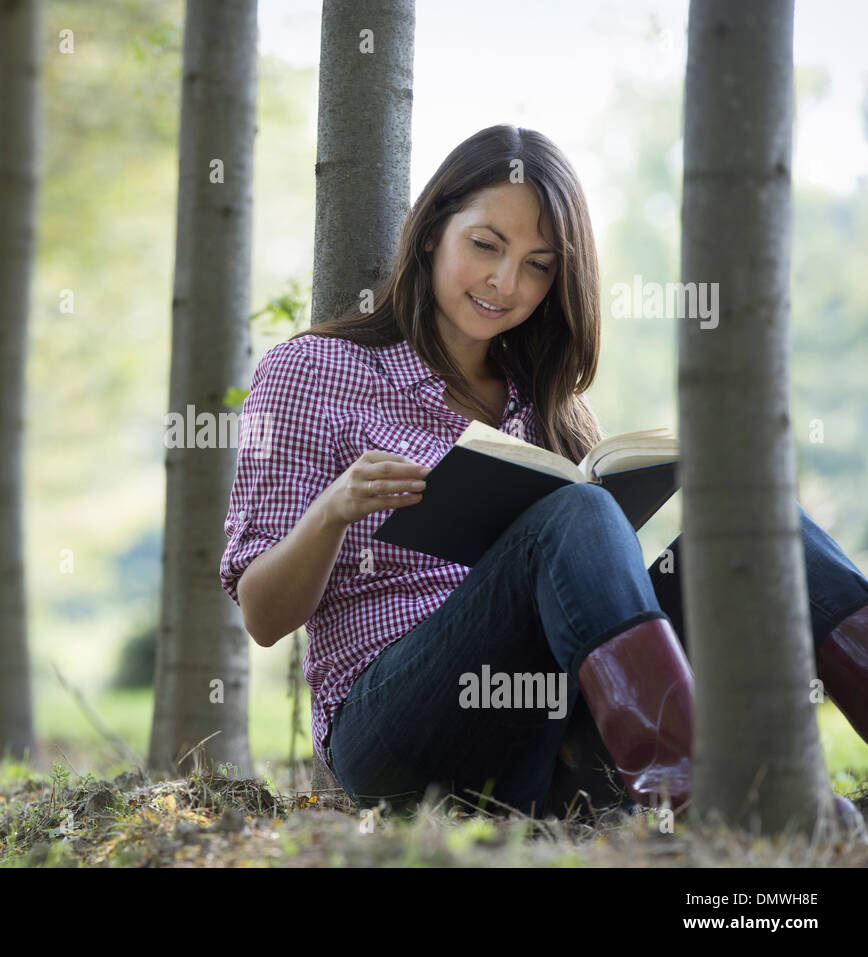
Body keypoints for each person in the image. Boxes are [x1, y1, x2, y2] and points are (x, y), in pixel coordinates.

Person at [218, 124, 868, 824]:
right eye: (486, 245)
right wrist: (335, 508)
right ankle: (698, 804)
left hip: (553, 734)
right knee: (575, 514)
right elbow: (261, 614)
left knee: (758, 531)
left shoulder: (545, 400)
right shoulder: (312, 372)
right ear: (432, 229)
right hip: (403, 734)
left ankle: (657, 781)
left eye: (539, 265)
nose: (506, 283)